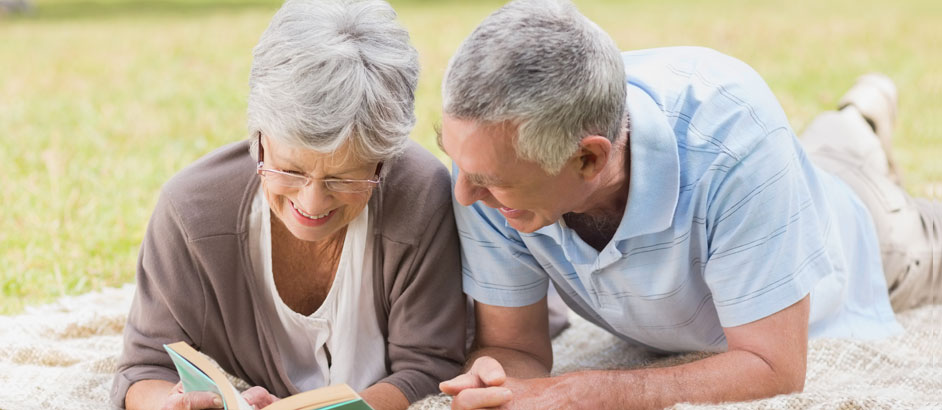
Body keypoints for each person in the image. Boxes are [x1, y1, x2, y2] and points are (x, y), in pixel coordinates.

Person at [436, 0, 941, 408]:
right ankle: (857, 119)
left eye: (489, 181)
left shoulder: (738, 141)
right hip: (771, 181)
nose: (462, 195)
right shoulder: (489, 163)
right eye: (458, 162)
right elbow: (516, 347)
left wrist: (593, 391)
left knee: (887, 206)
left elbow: (775, 365)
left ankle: (858, 123)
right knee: (826, 148)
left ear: (588, 159)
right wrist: (497, 377)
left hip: (868, 237)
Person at [111, 1, 467, 409]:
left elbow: (430, 368)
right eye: (290, 170)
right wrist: (167, 404)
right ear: (258, 137)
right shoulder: (190, 213)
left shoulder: (421, 197)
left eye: (345, 177)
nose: (312, 202)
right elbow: (144, 369)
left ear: (386, 160)